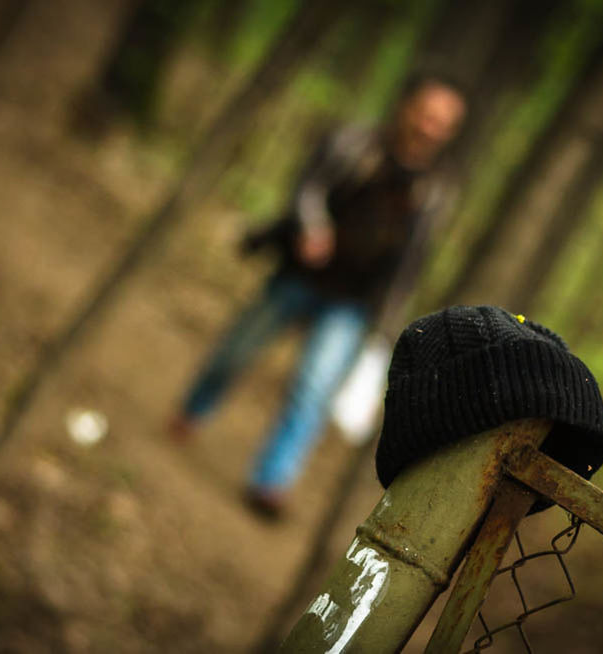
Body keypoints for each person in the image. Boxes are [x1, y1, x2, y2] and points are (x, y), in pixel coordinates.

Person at [170, 74, 468, 517]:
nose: (430, 127)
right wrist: (312, 228)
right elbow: (307, 187)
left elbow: (411, 264)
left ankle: (271, 482)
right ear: (407, 106)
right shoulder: (356, 143)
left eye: (442, 122)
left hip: (353, 304)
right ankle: (193, 411)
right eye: (426, 114)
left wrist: (388, 325)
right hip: (301, 276)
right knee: (236, 352)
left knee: (313, 389)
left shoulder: (437, 190)